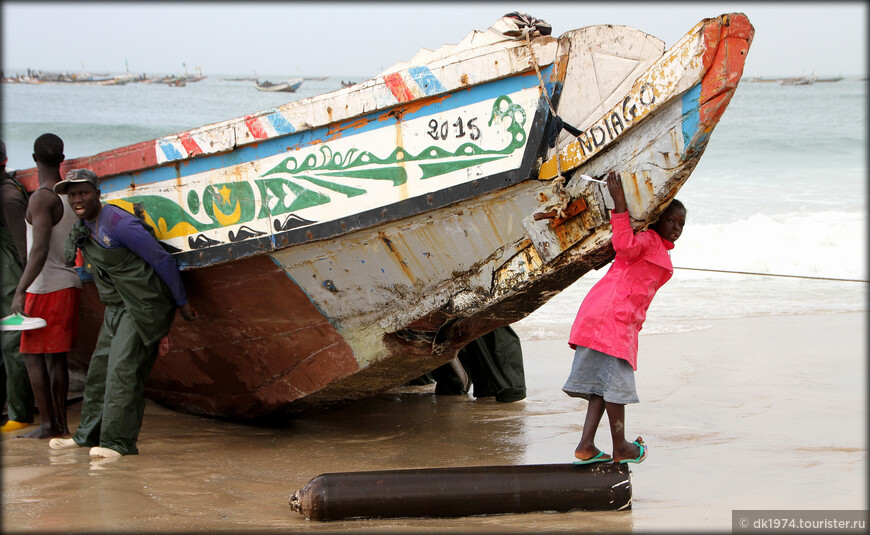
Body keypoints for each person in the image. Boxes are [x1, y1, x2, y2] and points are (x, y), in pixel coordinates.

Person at [48, 169, 196, 458]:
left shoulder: (119, 224)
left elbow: (161, 260)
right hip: (116, 307)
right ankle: (86, 436)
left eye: (84, 193)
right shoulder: (83, 226)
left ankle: (118, 443)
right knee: (99, 370)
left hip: (142, 306)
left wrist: (183, 304)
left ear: (97, 193)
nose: (77, 199)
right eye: (72, 194)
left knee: (123, 372)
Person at [563, 170, 686, 465]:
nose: (677, 227)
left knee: (601, 387)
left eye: (682, 223)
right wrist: (620, 204)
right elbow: (624, 245)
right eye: (671, 220)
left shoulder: (657, 248)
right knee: (614, 386)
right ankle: (621, 447)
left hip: (607, 315)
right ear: (657, 219)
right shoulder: (648, 240)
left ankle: (586, 445)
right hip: (612, 319)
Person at [10, 134, 81, 439]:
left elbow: (38, 249)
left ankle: (48, 425)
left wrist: (19, 289)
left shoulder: (40, 197)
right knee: (57, 357)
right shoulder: (69, 196)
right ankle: (60, 425)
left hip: (44, 286)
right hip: (68, 283)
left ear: (34, 158)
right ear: (62, 158)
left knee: (32, 355)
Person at [1, 139, 36, 432]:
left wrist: (23, 288)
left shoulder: (9, 197)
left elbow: (23, 247)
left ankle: (20, 413)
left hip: (12, 277)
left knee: (12, 344)